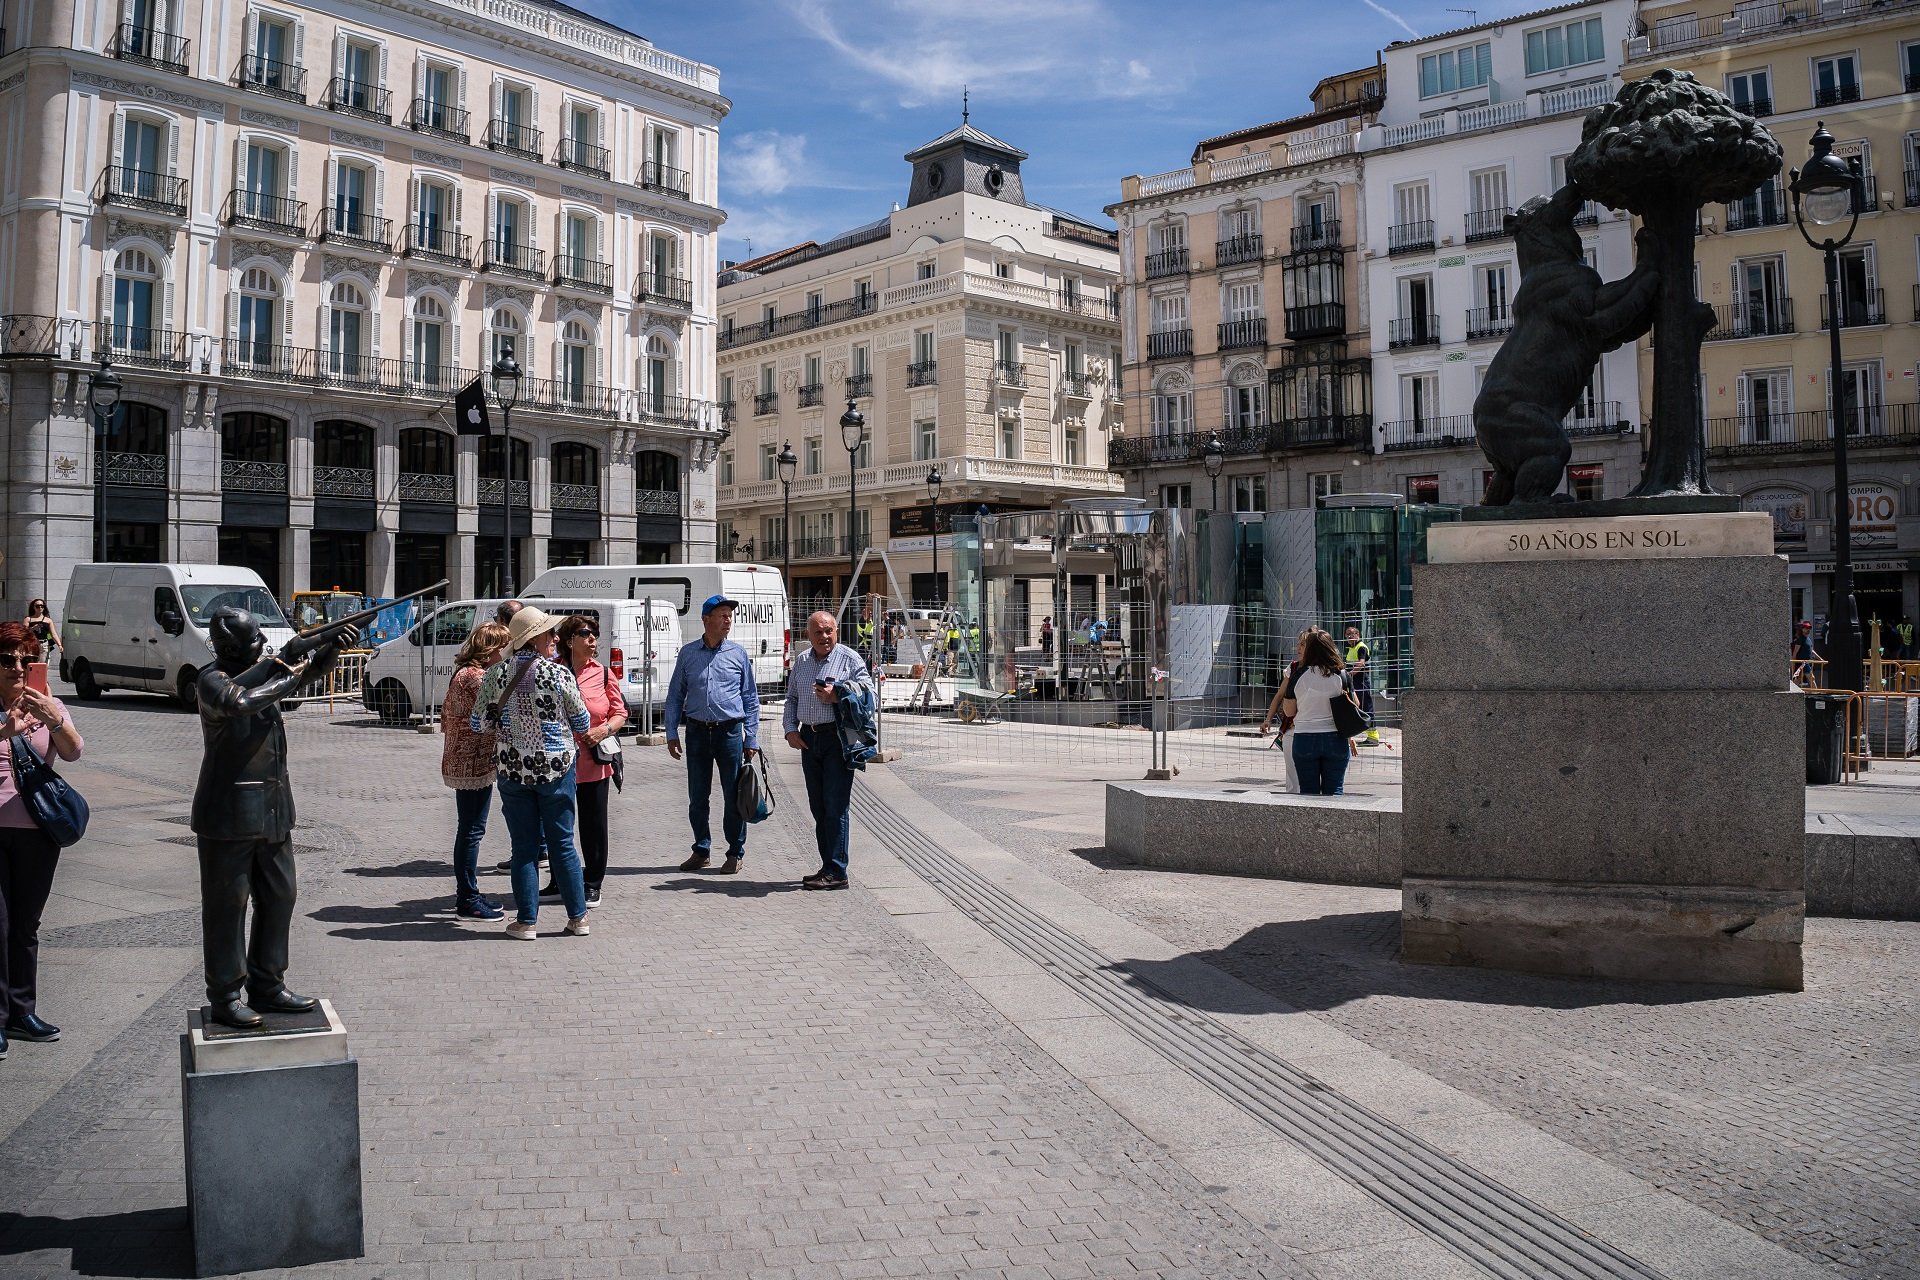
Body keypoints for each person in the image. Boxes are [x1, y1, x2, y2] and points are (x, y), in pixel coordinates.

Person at [193, 608, 357, 1027]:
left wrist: (328, 652)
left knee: (280, 896)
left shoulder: (260, 671)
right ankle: (226, 995)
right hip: (228, 814)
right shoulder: (211, 679)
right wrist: (284, 673)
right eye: (255, 643)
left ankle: (267, 984)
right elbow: (241, 702)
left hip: (273, 809)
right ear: (231, 648)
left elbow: (308, 675)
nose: (263, 647)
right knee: (228, 907)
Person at [470, 607, 591, 940]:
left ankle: (526, 922)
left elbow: (478, 723)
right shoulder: (560, 674)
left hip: (513, 768)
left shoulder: (495, 674)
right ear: (535, 638)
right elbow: (582, 723)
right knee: (562, 844)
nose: (555, 638)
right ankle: (578, 918)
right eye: (550, 634)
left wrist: (504, 721)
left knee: (523, 848)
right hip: (556, 767)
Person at [0, 621, 83, 1058]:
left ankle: (21, 1013)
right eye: (6, 659)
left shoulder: (49, 704)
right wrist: (4, 732)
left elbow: (72, 751)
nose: (16, 667)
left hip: (37, 831)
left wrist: (54, 718)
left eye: (24, 659)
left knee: (26, 927)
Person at [664, 595, 761, 875]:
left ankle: (735, 852)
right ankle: (701, 849)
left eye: (730, 615)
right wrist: (671, 732)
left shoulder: (738, 654)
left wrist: (751, 737)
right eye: (722, 615)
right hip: (696, 733)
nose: (727, 620)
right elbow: (674, 695)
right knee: (698, 797)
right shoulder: (688, 653)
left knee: (733, 796)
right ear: (706, 619)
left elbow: (750, 698)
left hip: (729, 732)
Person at [784, 611, 869, 890]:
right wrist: (790, 730)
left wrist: (838, 695)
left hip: (837, 739)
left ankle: (837, 871)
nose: (824, 637)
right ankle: (827, 866)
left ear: (837, 631)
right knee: (818, 807)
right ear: (808, 635)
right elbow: (791, 698)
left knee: (835, 806)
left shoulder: (849, 658)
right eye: (818, 632)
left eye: (829, 631)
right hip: (809, 739)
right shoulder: (802, 661)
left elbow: (870, 695)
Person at [440, 622, 510, 921]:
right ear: (492, 650)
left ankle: (468, 894)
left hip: (469, 759)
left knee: (470, 828)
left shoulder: (466, 672)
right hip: (470, 761)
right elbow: (499, 709)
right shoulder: (477, 677)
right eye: (505, 647)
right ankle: (467, 897)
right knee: (471, 830)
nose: (509, 653)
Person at [557, 613, 626, 907]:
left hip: (594, 763)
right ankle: (559, 880)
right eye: (585, 634)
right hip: (558, 761)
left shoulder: (604, 673)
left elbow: (620, 712)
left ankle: (593, 882)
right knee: (559, 825)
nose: (592, 639)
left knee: (593, 825)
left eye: (594, 634)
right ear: (569, 640)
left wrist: (604, 729)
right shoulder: (554, 670)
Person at [1284, 628, 1353, 796]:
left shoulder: (1298, 675)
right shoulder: (1342, 675)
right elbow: (1355, 705)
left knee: (1308, 793)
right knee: (1335, 791)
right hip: (1336, 738)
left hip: (1304, 738)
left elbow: (1288, 711)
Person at [1257, 630, 1313, 794]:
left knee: (1312, 775)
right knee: (1292, 775)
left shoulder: (1322, 669)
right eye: (1298, 644)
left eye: (1303, 644)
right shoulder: (1293, 667)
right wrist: (1268, 719)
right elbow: (1280, 695)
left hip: (1313, 728)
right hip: (1292, 728)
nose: (1298, 648)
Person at [1345, 625, 1380, 746]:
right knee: (1355, 707)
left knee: (1366, 707)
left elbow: (1361, 663)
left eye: (1352, 634)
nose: (1349, 636)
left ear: (1358, 635)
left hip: (1361, 683)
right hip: (1354, 683)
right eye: (1347, 634)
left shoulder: (1361, 647)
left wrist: (1350, 674)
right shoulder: (1351, 649)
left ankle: (1373, 737)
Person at [23, 600, 61, 665]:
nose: (40, 608)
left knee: (43, 665)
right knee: (32, 664)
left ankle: (41, 675)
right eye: (37, 606)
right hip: (32, 644)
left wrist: (59, 645)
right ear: (33, 607)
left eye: (42, 606)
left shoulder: (48, 620)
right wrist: (33, 628)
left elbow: (53, 634)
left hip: (44, 645)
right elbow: (23, 632)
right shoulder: (28, 619)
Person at [1790, 621, 1818, 686]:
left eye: (1809, 628)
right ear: (1802, 629)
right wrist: (1793, 666)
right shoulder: (1800, 639)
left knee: (1798, 680)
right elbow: (1795, 653)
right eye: (1806, 628)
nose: (1808, 629)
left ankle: (1792, 692)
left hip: (1807, 663)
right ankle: (1816, 694)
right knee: (1812, 679)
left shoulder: (1808, 639)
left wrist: (1820, 659)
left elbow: (1812, 651)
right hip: (1803, 663)